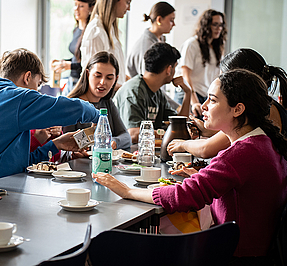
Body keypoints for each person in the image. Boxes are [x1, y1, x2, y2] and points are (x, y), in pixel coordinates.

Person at [94, 69, 287, 261]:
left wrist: (127, 191)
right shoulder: (264, 143)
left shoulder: (241, 153)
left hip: (234, 254)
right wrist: (204, 174)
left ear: (238, 109)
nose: (203, 106)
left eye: (212, 100)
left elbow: (184, 196)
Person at [0, 48, 100, 180]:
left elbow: (19, 163)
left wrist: (56, 144)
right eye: (38, 84)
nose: (38, 91)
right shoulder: (16, 98)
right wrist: (100, 117)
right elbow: (72, 108)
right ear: (28, 77)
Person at [168, 48, 287, 159]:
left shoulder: (257, 112)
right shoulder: (266, 107)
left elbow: (205, 149)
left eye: (225, 78)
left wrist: (182, 144)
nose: (221, 83)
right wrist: (209, 131)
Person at [113, 42, 191, 144]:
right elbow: (133, 133)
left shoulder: (157, 92)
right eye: (175, 67)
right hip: (126, 153)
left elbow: (178, 126)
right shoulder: (134, 91)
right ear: (169, 69)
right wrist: (164, 133)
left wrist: (188, 93)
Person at [64, 51, 131, 152]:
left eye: (109, 78)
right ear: (87, 74)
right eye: (98, 76)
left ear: (115, 80)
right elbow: (66, 145)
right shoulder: (71, 105)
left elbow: (126, 137)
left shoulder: (107, 103)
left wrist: (114, 142)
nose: (103, 82)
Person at [174, 9, 227, 117]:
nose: (219, 28)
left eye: (221, 25)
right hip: (188, 94)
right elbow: (186, 75)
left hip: (205, 95)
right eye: (215, 25)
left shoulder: (217, 48)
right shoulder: (192, 44)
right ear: (206, 25)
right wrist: (194, 102)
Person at [80, 0, 132, 87]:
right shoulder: (96, 31)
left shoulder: (111, 30)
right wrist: (123, 89)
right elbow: (95, 78)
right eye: (127, 2)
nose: (129, 8)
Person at [50, 0, 96, 95]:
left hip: (82, 82)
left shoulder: (92, 32)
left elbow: (90, 63)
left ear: (91, 8)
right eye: (75, 5)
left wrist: (69, 65)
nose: (76, 9)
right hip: (72, 79)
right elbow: (78, 57)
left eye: (81, 6)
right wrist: (62, 62)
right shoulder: (76, 30)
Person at [126, 1, 176, 78]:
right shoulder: (147, 45)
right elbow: (147, 78)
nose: (174, 24)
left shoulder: (160, 40)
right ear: (159, 20)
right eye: (171, 20)